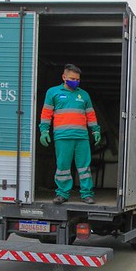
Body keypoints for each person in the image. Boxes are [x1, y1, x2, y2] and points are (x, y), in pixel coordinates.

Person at [39, 64, 101, 205]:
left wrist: (96, 130)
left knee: (84, 167)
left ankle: (87, 194)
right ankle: (62, 194)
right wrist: (44, 131)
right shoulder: (53, 92)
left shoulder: (84, 95)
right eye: (72, 78)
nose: (75, 81)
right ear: (64, 77)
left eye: (78, 79)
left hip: (82, 137)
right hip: (62, 136)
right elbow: (46, 113)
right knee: (63, 166)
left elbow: (90, 115)